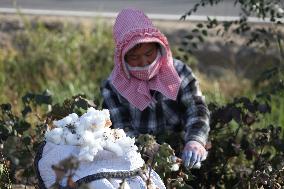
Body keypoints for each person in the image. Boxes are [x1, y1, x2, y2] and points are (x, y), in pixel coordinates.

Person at [101, 8, 210, 169]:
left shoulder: (179, 72)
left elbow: (196, 109)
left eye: (149, 53)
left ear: (158, 47)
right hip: (138, 158)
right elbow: (120, 129)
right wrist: (147, 148)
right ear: (122, 57)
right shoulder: (114, 85)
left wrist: (195, 140)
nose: (144, 62)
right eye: (134, 57)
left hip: (181, 149)